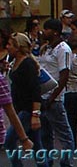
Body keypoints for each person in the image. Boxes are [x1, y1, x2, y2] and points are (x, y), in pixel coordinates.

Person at [39, 18, 75, 167]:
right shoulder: (47, 48)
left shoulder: (63, 49)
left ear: (54, 32)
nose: (43, 32)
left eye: (46, 29)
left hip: (54, 98)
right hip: (43, 96)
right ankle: (48, 161)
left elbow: (64, 75)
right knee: (46, 134)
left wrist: (53, 97)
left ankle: (66, 162)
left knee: (64, 134)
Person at [5, 33, 44, 167]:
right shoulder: (13, 61)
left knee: (9, 141)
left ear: (18, 47)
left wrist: (35, 115)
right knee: (36, 146)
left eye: (10, 44)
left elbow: (35, 90)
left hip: (27, 110)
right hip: (20, 108)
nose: (7, 47)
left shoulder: (27, 64)